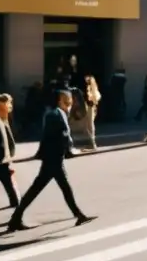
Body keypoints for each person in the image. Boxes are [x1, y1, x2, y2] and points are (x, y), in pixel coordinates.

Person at [7, 89, 95, 232]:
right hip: (53, 160)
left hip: (54, 159)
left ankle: (15, 219)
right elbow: (57, 137)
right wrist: (68, 149)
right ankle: (79, 215)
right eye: (68, 100)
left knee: (40, 189)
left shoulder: (58, 114)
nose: (71, 103)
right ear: (60, 100)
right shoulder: (55, 115)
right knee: (56, 189)